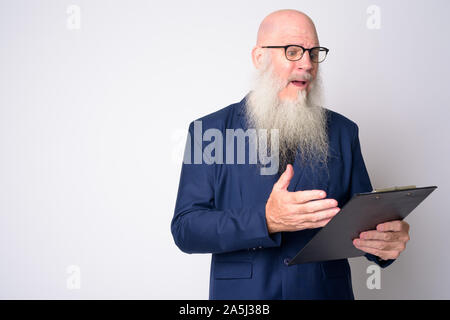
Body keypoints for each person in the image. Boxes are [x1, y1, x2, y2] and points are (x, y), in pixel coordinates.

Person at [171, 9, 410, 299]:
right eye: (293, 51)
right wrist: (266, 219)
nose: (307, 64)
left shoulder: (344, 132)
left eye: (314, 52)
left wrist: (385, 244)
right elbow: (186, 229)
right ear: (259, 58)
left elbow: (362, 224)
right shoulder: (208, 131)